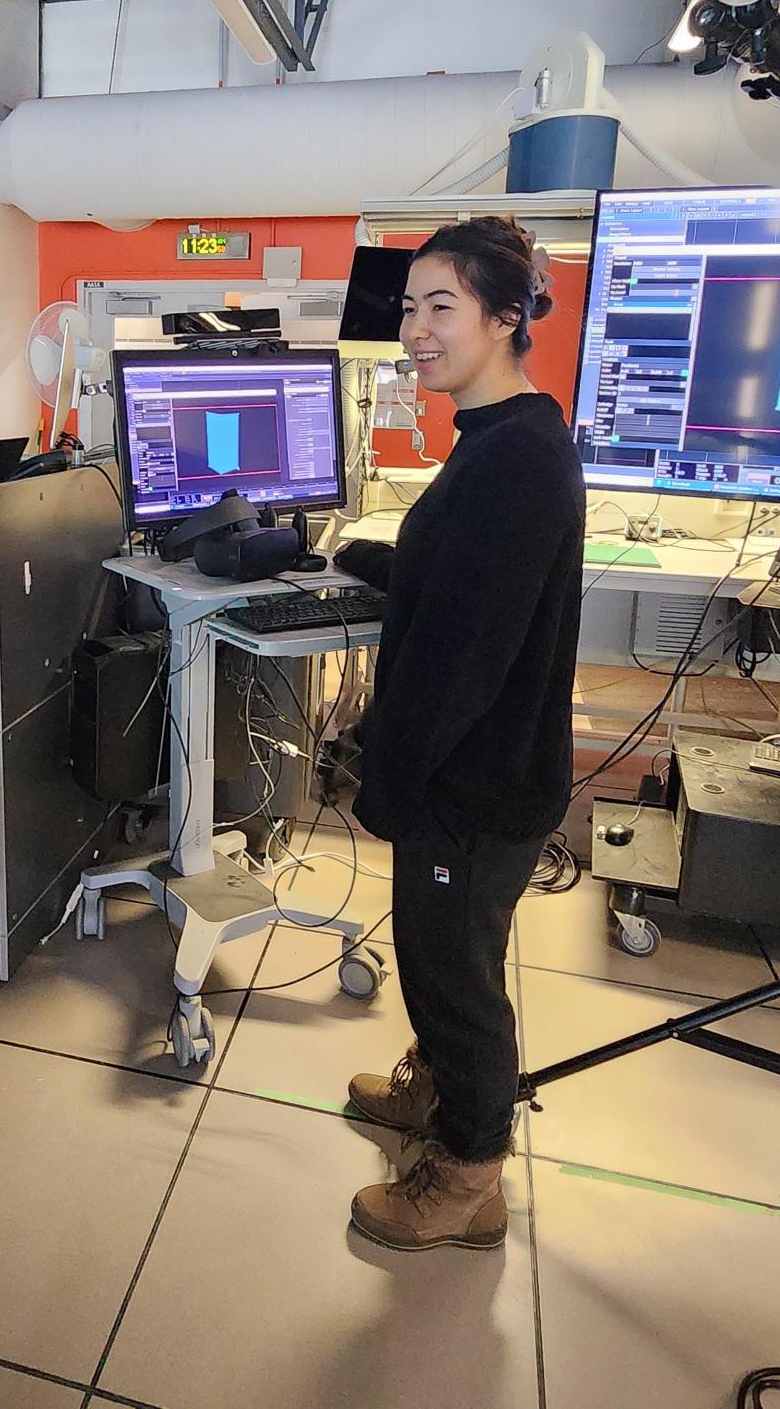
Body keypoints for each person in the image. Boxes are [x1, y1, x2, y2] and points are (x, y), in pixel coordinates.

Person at [335, 215, 585, 1254]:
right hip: (476, 772)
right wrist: (371, 559)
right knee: (443, 960)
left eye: (442, 306)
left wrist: (384, 780)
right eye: (408, 308)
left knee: (452, 978)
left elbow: (464, 659)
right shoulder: (502, 436)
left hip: (471, 783)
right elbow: (469, 591)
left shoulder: (515, 458)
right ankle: (440, 1102)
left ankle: (467, 1180)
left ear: (505, 315)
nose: (416, 330)